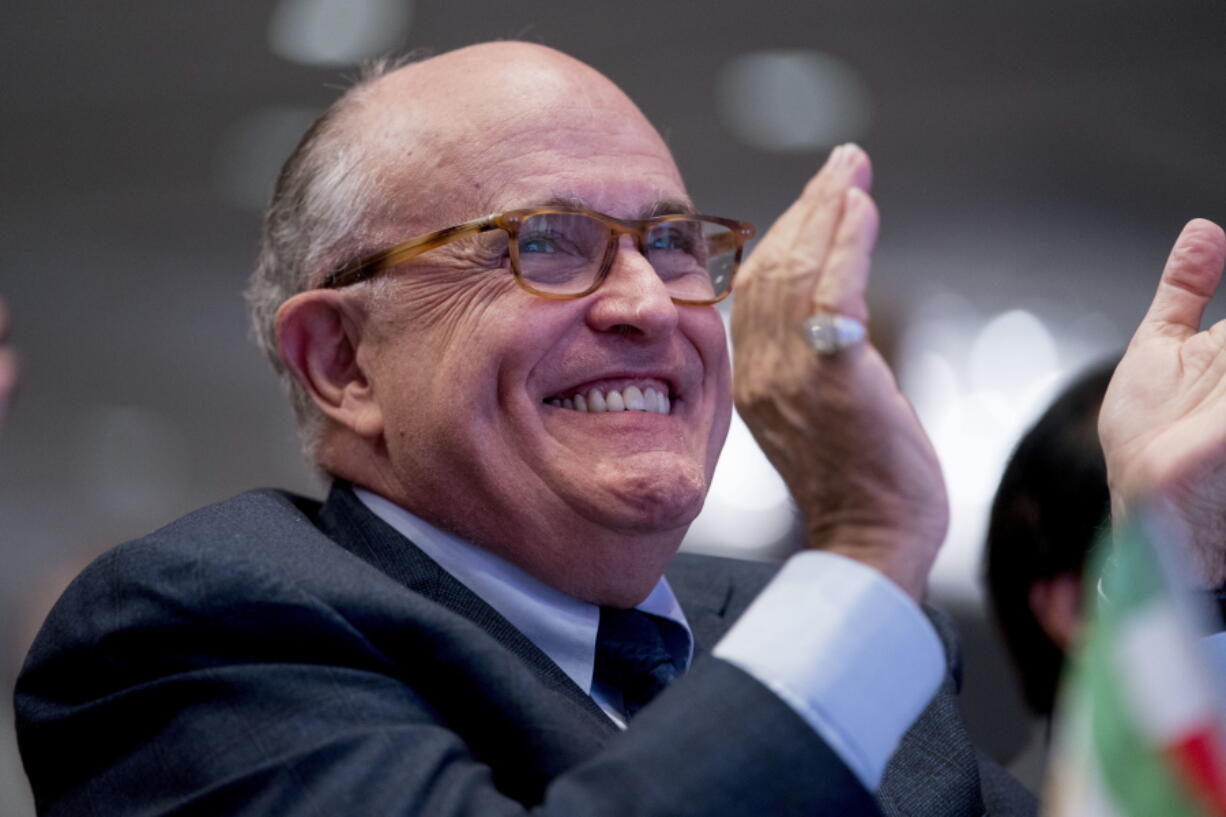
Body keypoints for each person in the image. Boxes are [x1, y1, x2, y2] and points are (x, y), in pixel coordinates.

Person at [14, 42, 1226, 817]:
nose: (647, 303)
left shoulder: (807, 632)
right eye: (542, 244)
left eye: (670, 243)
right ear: (341, 361)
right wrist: (861, 546)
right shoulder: (189, 634)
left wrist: (1168, 563)